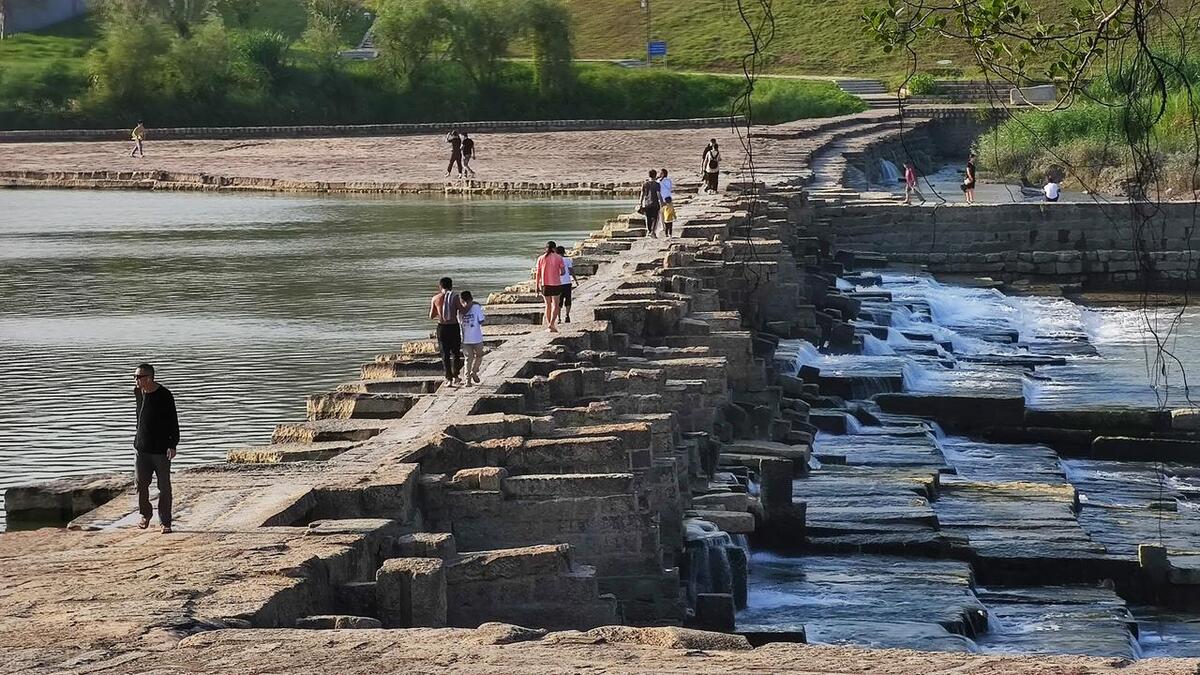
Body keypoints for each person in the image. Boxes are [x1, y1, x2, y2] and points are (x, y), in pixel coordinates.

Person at [133, 363, 178, 534]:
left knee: (164, 487)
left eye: (139, 377)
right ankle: (145, 514)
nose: (136, 380)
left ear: (149, 378)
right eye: (135, 376)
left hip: (160, 450)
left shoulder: (164, 395)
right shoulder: (138, 392)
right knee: (140, 484)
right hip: (141, 449)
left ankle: (165, 522)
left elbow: (173, 421)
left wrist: (173, 445)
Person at [429, 277, 464, 386]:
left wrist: (440, 312)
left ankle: (448, 378)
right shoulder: (455, 297)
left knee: (445, 354)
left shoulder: (435, 298)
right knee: (456, 352)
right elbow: (461, 310)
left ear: (440, 287)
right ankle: (456, 376)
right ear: (451, 286)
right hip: (453, 327)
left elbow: (431, 316)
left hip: (442, 328)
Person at [535, 241, 566, 332]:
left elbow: (538, 273)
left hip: (545, 284)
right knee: (555, 305)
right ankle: (552, 324)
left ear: (546, 248)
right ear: (554, 248)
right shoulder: (559, 257)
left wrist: (537, 285)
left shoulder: (541, 258)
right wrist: (558, 273)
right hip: (556, 284)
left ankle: (549, 325)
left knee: (547, 305)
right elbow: (563, 272)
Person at [458, 290, 485, 385]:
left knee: (468, 359)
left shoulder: (460, 310)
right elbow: (481, 321)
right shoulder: (476, 307)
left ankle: (467, 380)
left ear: (461, 300)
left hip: (465, 339)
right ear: (471, 298)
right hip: (477, 337)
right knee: (479, 356)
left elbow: (459, 322)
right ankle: (474, 372)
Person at [556, 245, 576, 323]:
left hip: (557, 283)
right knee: (568, 300)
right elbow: (571, 271)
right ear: (564, 252)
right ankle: (567, 315)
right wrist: (575, 280)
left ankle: (559, 318)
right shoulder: (567, 260)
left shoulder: (555, 260)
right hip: (567, 283)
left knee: (558, 302)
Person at [640, 169, 662, 238]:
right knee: (655, 218)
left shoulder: (645, 184)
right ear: (655, 176)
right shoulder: (657, 185)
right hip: (655, 204)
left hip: (647, 204)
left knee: (648, 218)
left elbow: (642, 195)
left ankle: (649, 231)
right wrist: (662, 202)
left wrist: (640, 203)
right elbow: (658, 194)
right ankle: (653, 232)